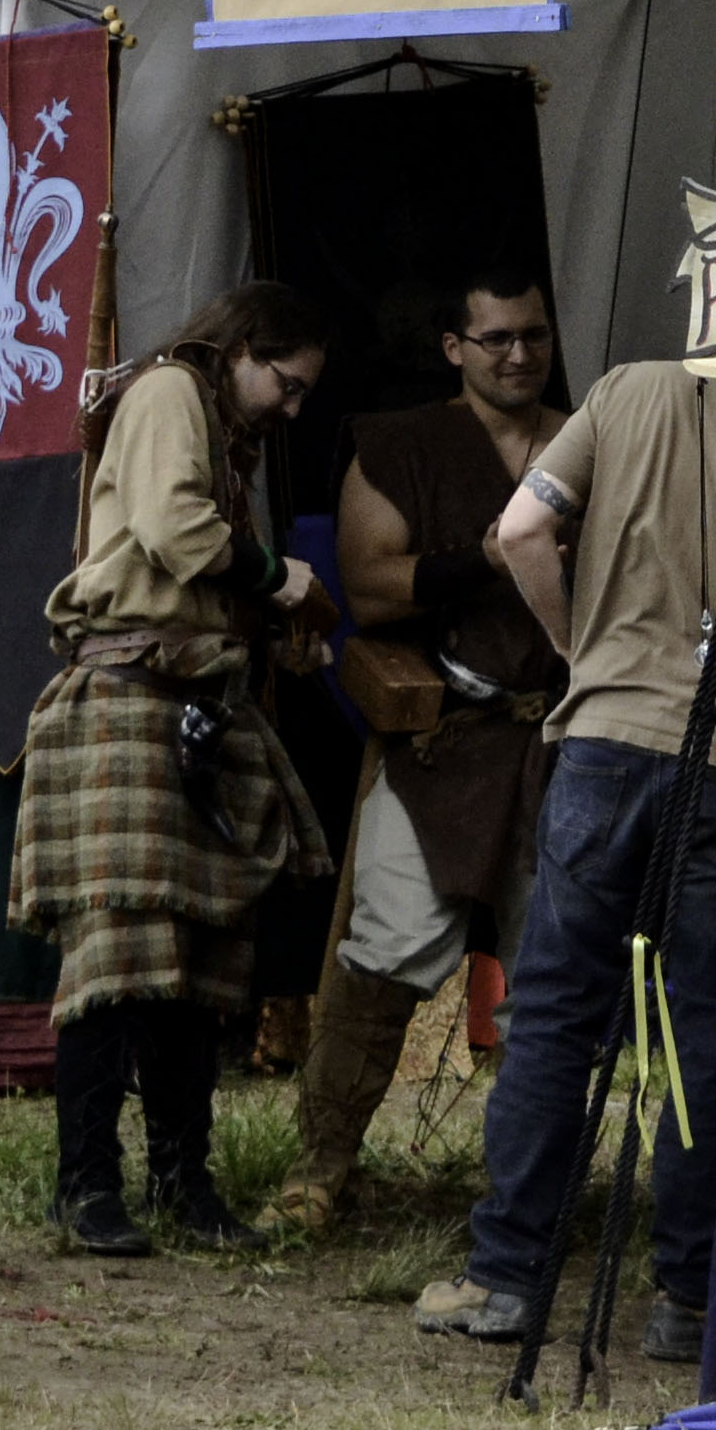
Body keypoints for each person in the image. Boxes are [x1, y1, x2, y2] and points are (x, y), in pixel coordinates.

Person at [415, 353, 716, 1361]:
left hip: (604, 737)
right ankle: (694, 1301)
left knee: (555, 1012)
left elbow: (521, 529)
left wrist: (581, 649)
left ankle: (504, 1279)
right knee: (705, 1030)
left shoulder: (625, 390)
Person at [10, 281, 335, 1258]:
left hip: (196, 696)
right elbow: (172, 530)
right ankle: (86, 1188)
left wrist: (270, 626)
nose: (292, 409)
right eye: (287, 383)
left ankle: (184, 1184)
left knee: (196, 961)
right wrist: (277, 578)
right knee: (115, 957)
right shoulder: (168, 394)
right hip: (129, 695)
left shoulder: (222, 431)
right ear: (241, 349)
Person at [270, 269, 569, 1236]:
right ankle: (321, 1164)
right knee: (386, 949)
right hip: (445, 744)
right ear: (453, 348)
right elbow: (370, 585)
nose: (518, 354)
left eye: (532, 335)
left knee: (548, 978)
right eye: (496, 338)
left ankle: (528, 1201)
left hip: (560, 744)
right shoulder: (399, 446)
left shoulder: (588, 442)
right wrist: (480, 560)